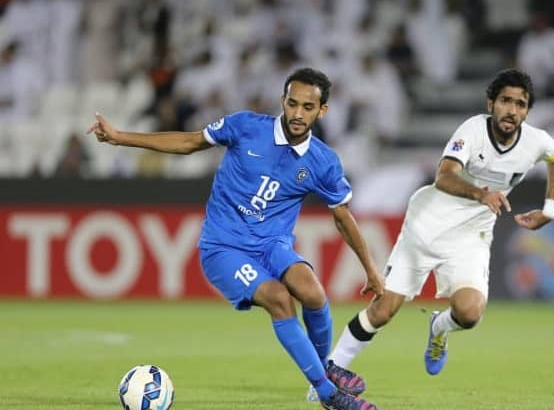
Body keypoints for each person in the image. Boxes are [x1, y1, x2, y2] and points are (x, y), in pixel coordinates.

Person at [88, 68, 382, 410]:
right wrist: (120, 136)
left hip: (273, 247)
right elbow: (190, 142)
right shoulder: (245, 127)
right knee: (279, 299)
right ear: (282, 102)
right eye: (292, 104)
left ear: (323, 110)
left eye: (307, 107)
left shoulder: (323, 162)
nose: (298, 114)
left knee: (313, 293)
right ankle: (329, 395)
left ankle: (323, 372)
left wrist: (371, 270)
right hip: (223, 248)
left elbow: (343, 217)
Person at [309, 68, 554, 400]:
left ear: (527, 111)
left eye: (520, 104)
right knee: (384, 310)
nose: (512, 110)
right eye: (505, 101)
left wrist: (550, 209)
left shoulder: (536, 140)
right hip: (427, 225)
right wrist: (481, 194)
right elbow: (444, 176)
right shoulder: (472, 131)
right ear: (491, 103)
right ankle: (326, 380)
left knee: (470, 313)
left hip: (471, 234)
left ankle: (438, 327)